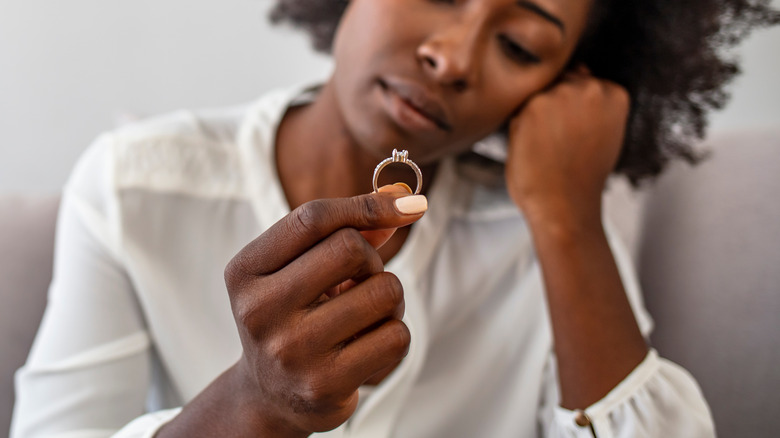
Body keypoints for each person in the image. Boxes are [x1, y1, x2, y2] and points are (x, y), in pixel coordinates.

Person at [10, 0, 778, 437]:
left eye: (518, 45)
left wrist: (566, 220)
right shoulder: (137, 187)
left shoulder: (552, 222)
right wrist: (254, 399)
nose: (454, 57)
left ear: (560, 85)